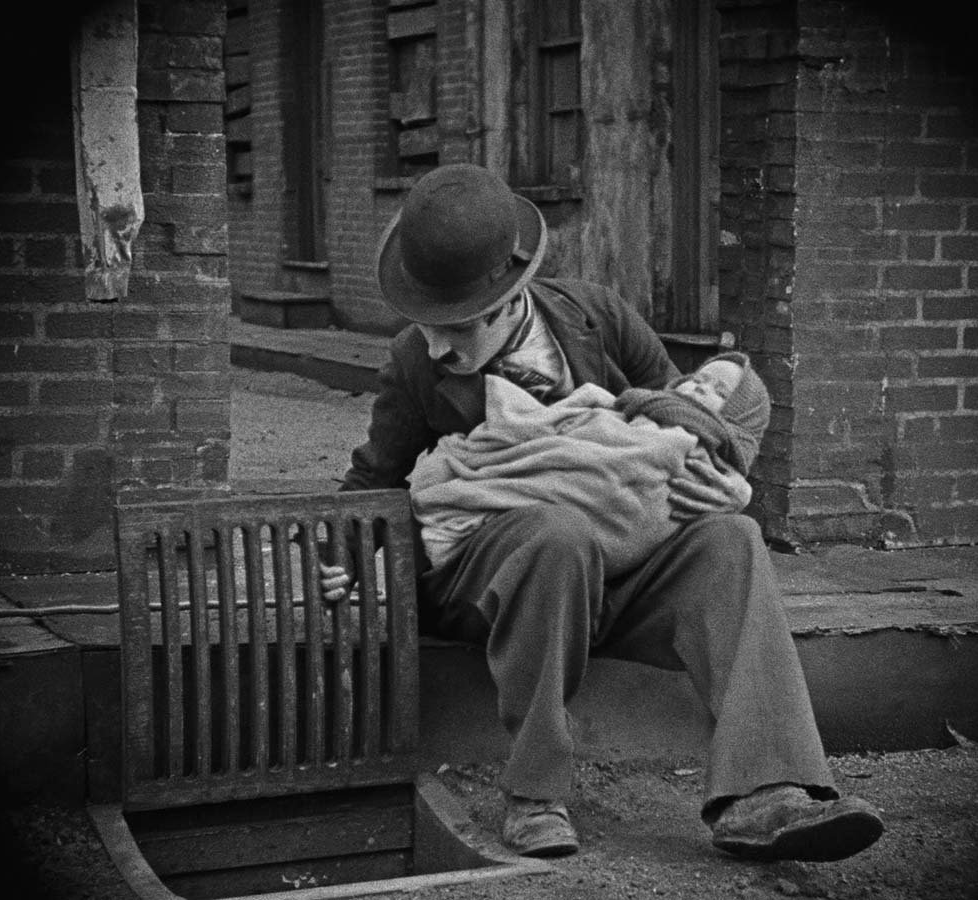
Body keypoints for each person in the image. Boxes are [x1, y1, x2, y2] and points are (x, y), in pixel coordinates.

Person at [320, 163, 884, 862]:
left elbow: (685, 422)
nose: (436, 346)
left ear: (508, 299)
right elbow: (372, 478)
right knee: (555, 532)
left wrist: (723, 484)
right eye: (425, 326)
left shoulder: (598, 317)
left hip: (612, 570)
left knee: (732, 538)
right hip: (490, 585)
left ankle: (765, 792)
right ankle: (534, 794)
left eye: (456, 328)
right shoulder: (414, 363)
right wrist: (340, 558)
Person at [407, 352, 769, 573]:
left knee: (740, 533)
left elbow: (628, 468)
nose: (701, 387)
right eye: (699, 379)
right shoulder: (414, 354)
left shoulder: (600, 313)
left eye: (720, 392)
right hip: (518, 550)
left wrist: (739, 486)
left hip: (606, 557)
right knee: (558, 530)